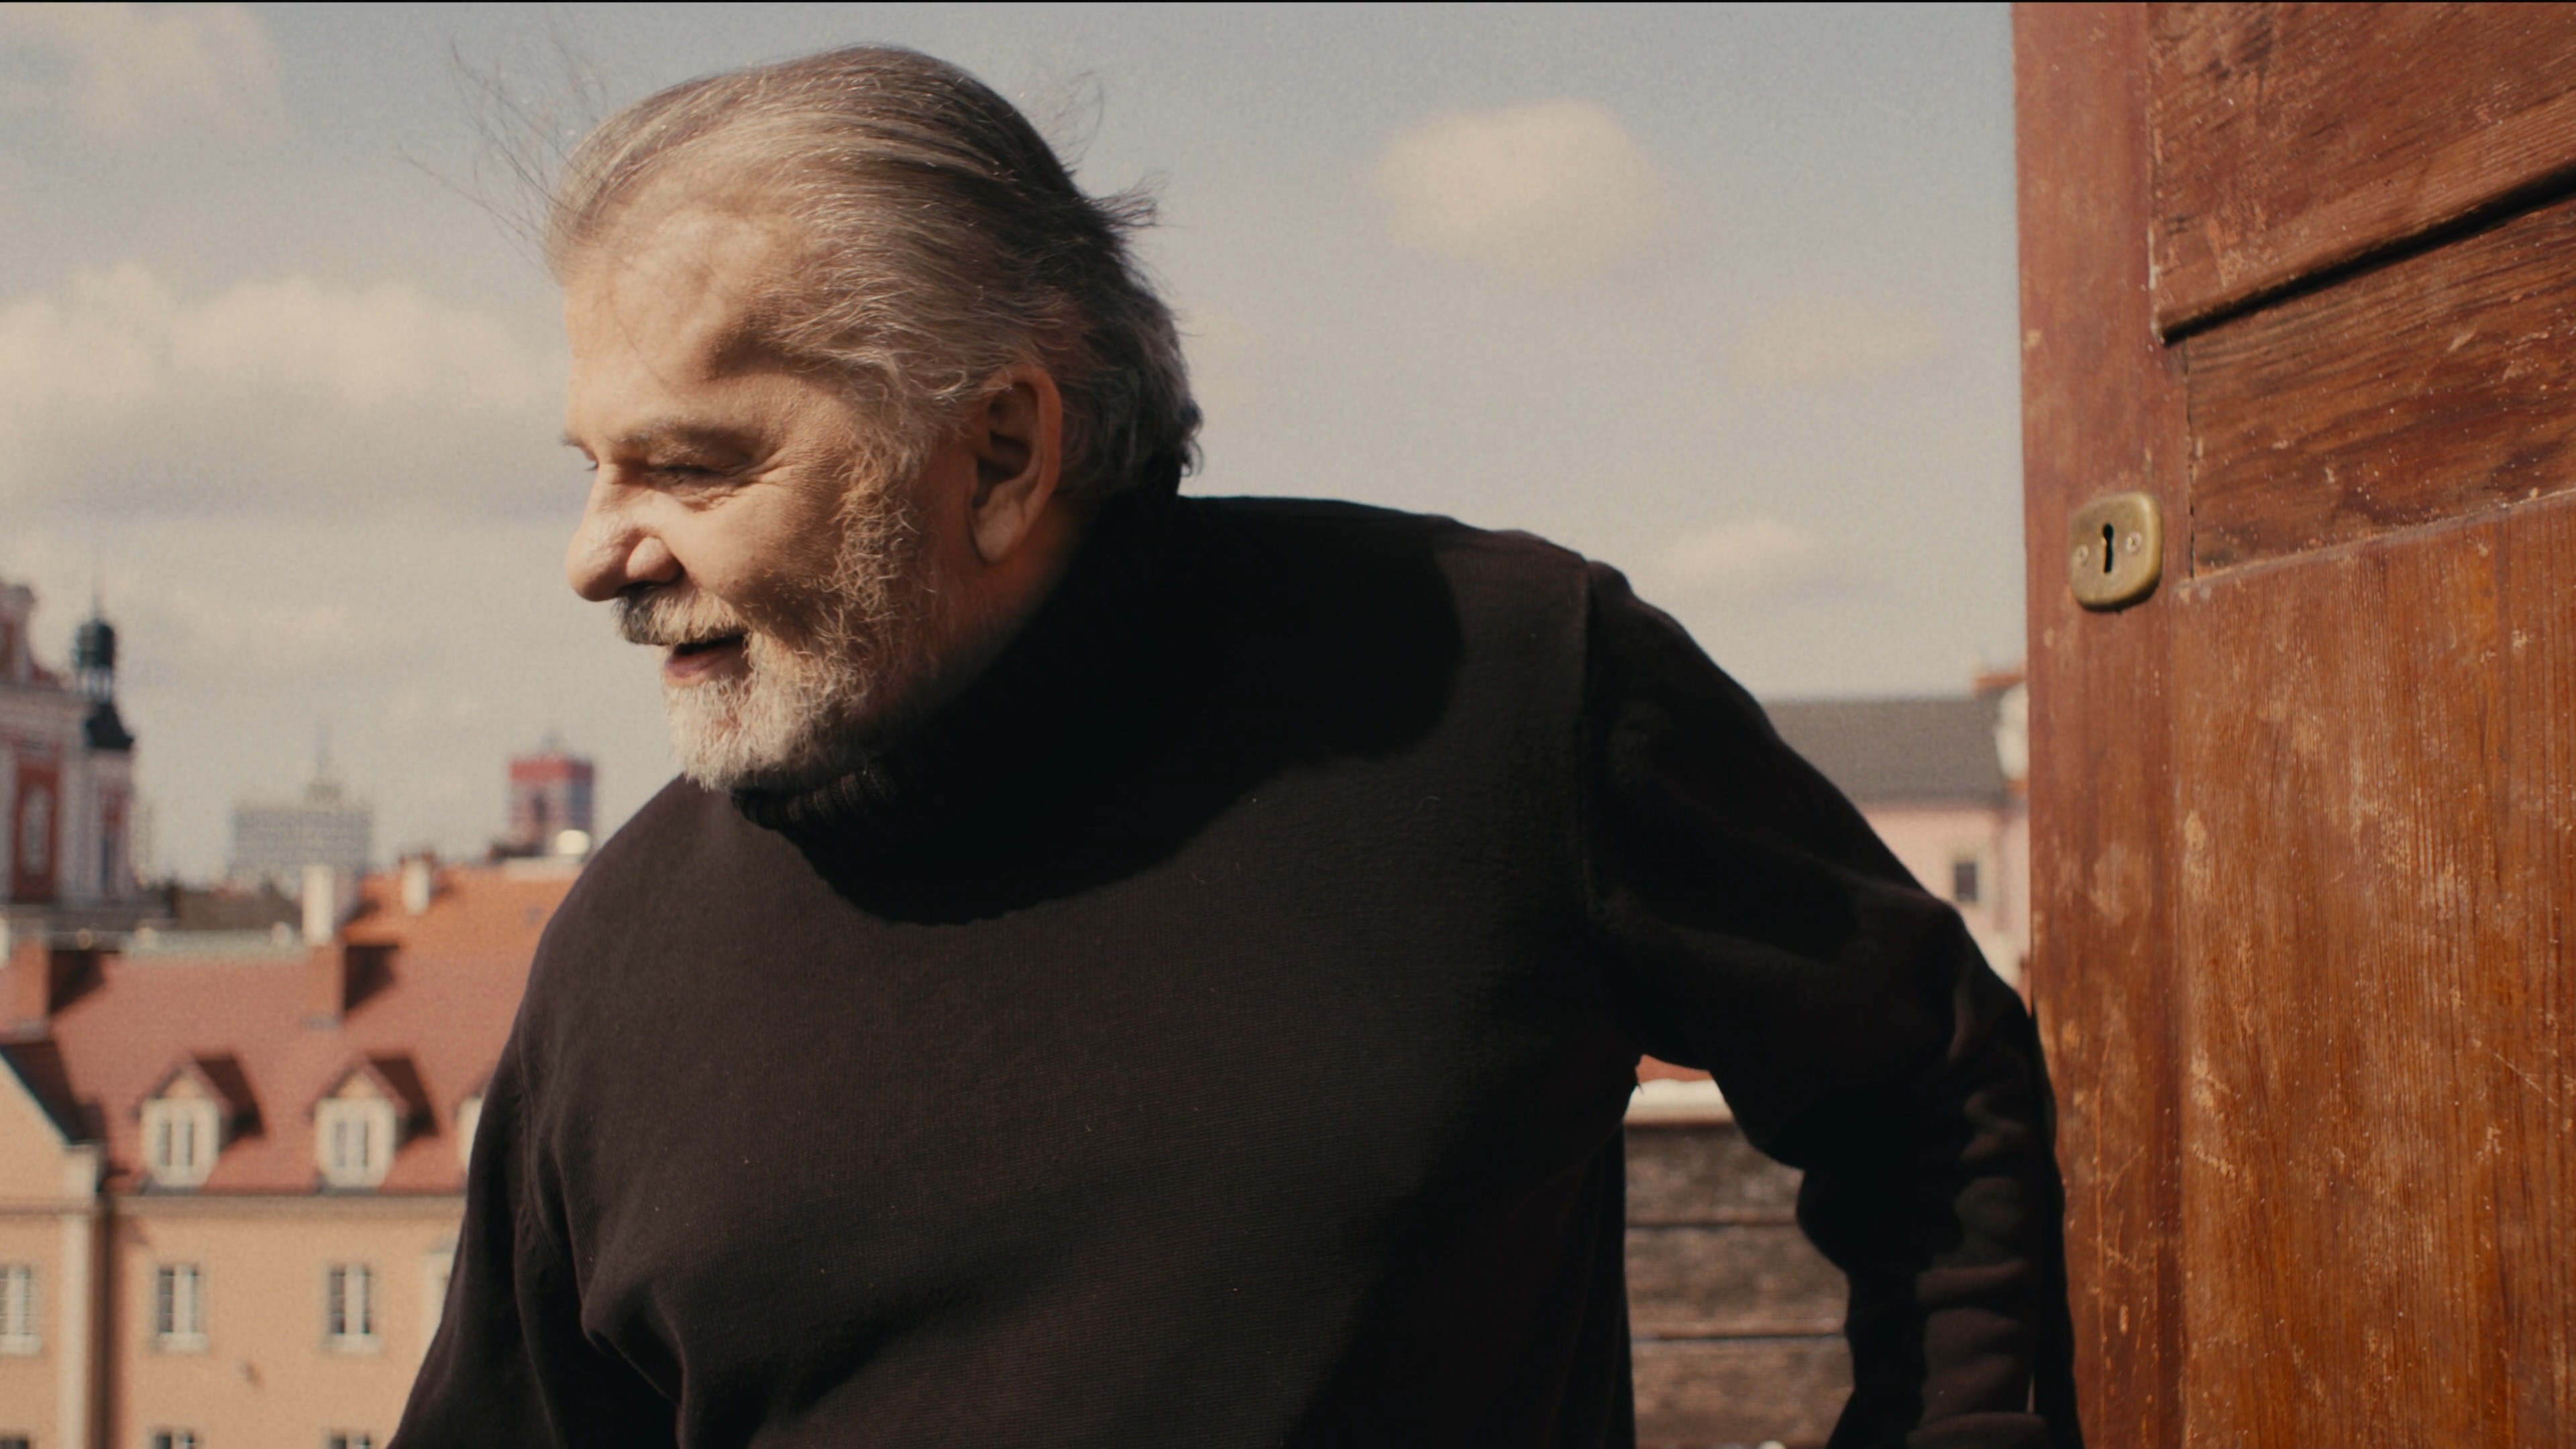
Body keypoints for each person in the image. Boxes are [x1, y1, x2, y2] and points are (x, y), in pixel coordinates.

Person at [394, 44, 2076, 1449]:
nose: (598, 552)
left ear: (996, 450)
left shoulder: (1494, 686)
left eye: (689, 469)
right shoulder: (620, 955)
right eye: (593, 467)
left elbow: (1933, 1093)